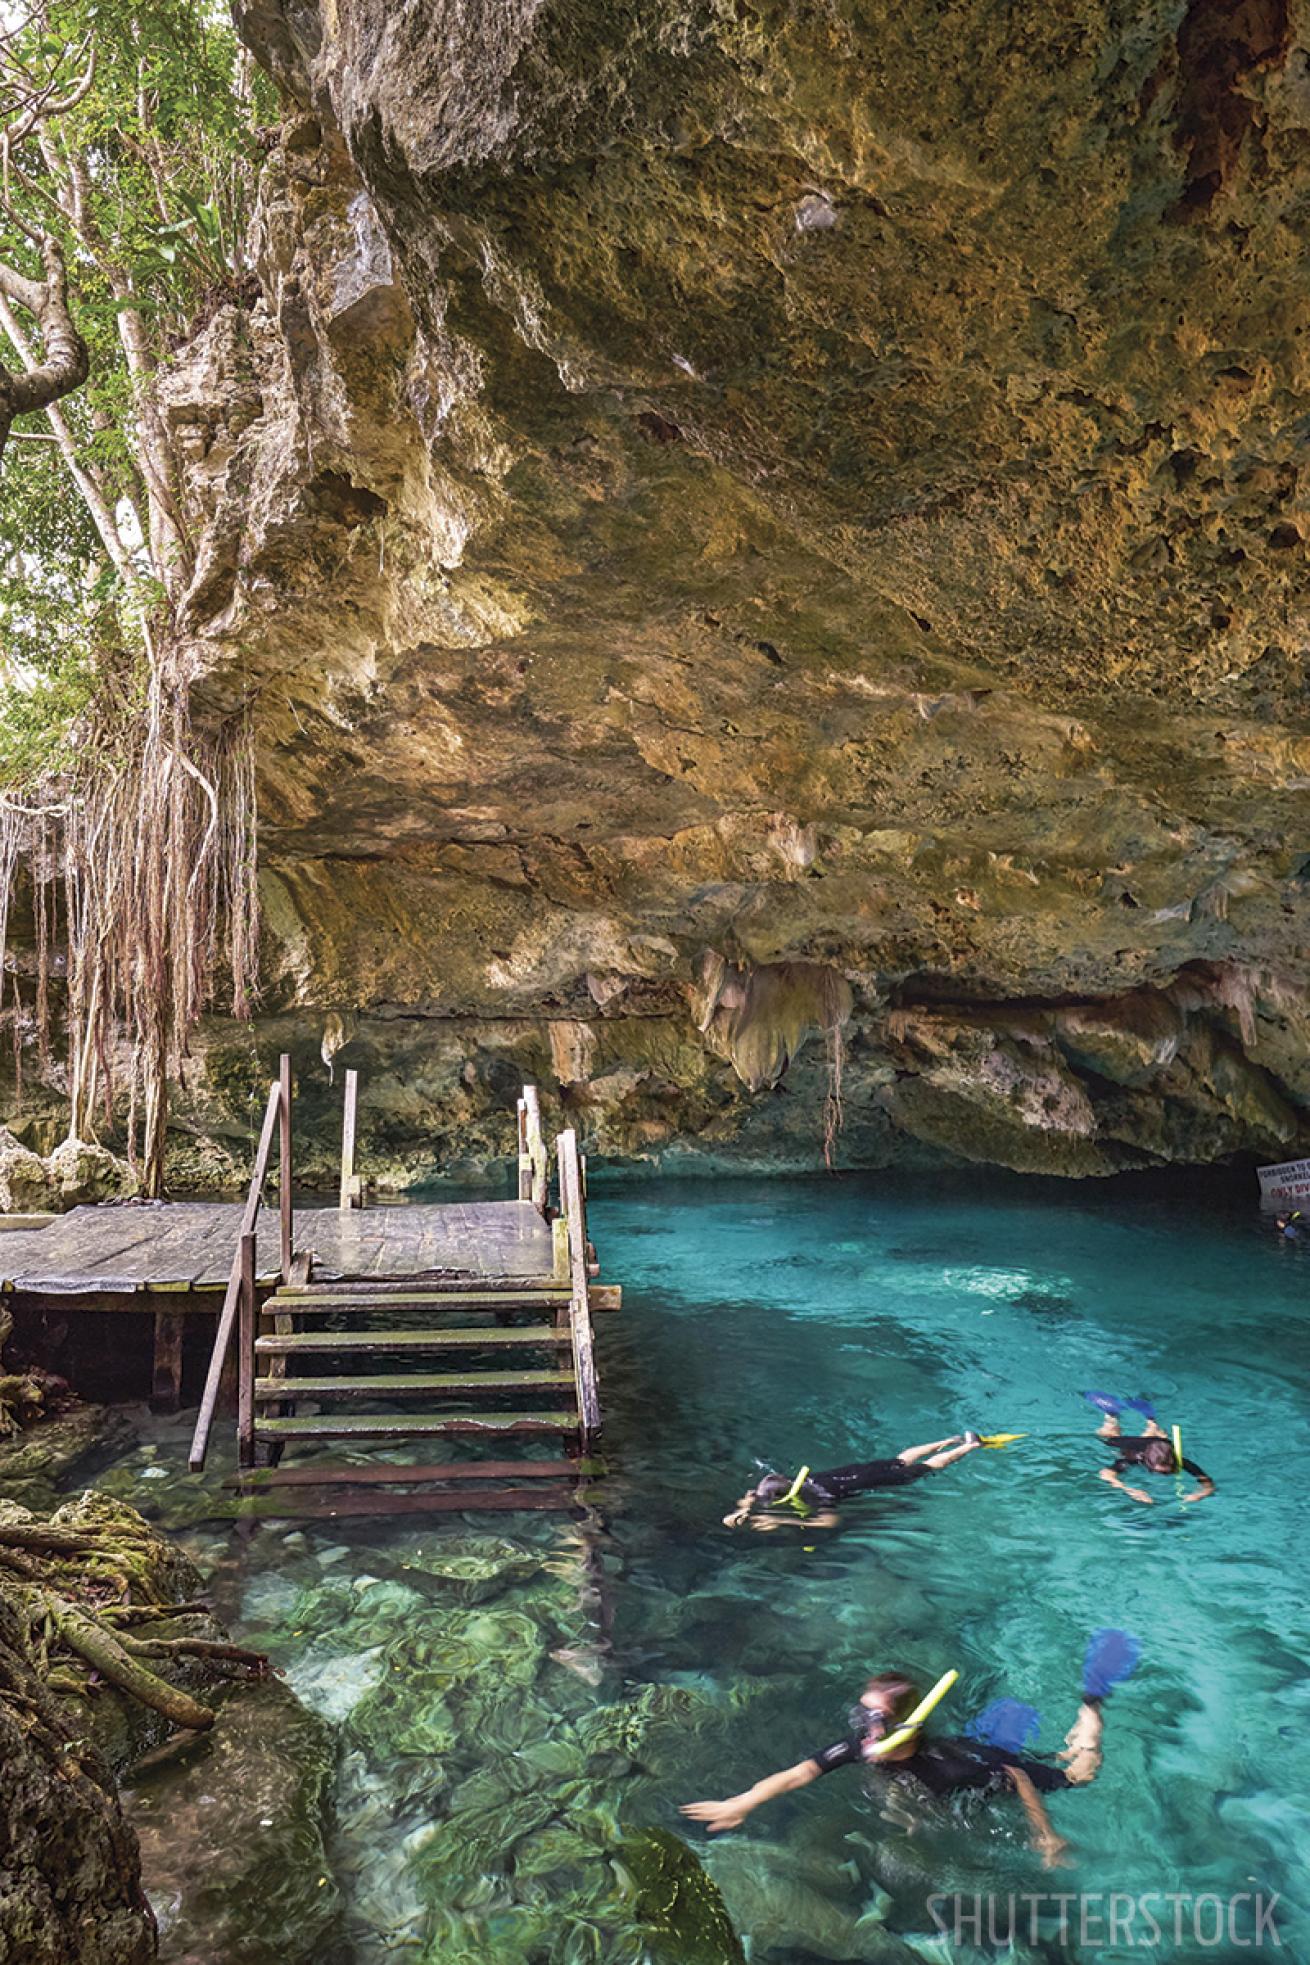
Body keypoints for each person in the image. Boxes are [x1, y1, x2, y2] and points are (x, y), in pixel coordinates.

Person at [680, 1668, 1107, 1869]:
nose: (863, 1732)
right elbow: (801, 1772)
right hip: (950, 1764)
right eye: (860, 1717)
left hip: (993, 1767)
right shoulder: (866, 1746)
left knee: (1077, 1774)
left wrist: (1046, 1835)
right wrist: (744, 1802)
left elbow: (1017, 1778)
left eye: (875, 1721)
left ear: (905, 1730)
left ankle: (1090, 1711)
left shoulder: (946, 1768)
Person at [724, 1433, 984, 1531]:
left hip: (874, 1479)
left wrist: (781, 1519)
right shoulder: (784, 1481)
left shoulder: (820, 1497)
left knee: (929, 1466)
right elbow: (754, 1494)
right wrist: (743, 1510)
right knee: (902, 1459)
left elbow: (829, 1521)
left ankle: (971, 1446)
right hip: (860, 1469)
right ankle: (948, 1440)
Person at [1093, 1407, 1214, 1506]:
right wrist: (1131, 1491)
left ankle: (1152, 1426)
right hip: (1129, 1444)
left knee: (1161, 1440)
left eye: (1168, 1468)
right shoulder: (1135, 1458)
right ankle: (1111, 1416)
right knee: (1107, 1436)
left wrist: (1200, 1494)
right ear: (1148, 1462)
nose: (1166, 1472)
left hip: (1159, 1442)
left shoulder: (1179, 1460)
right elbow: (1105, 1474)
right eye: (1160, 1470)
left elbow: (1207, 1482)